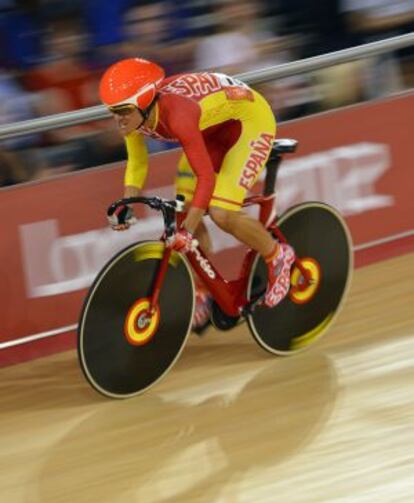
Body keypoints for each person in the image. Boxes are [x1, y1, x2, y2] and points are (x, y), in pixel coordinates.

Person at [98, 57, 295, 330]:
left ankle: (278, 256)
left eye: (121, 111)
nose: (116, 119)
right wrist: (127, 201)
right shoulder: (135, 115)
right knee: (184, 210)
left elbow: (205, 179)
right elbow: (138, 162)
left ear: (144, 102)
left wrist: (188, 232)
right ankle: (204, 290)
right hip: (213, 126)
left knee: (221, 213)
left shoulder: (177, 115)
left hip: (250, 121)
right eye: (112, 111)